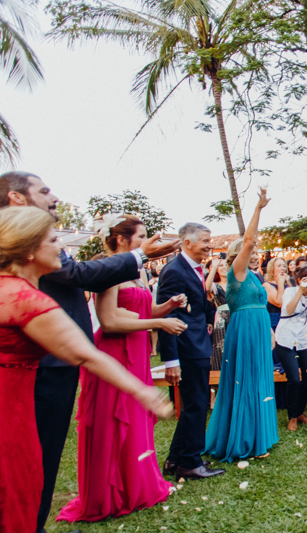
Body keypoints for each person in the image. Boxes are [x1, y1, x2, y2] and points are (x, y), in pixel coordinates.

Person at [0, 171, 180, 533]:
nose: (63, 250)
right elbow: (86, 352)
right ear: (30, 248)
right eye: (55, 241)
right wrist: (142, 391)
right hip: (16, 403)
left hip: (25, 386)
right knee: (20, 479)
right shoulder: (27, 300)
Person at [57, 215, 186, 523]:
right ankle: (109, 491)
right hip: (114, 353)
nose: (146, 242)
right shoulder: (109, 270)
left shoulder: (136, 271)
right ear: (120, 240)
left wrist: (168, 306)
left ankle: (136, 484)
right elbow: (110, 320)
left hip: (137, 351)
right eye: (140, 237)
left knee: (136, 419)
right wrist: (159, 323)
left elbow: (144, 310)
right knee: (113, 422)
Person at [205, 189, 279, 461]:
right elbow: (249, 238)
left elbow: (260, 305)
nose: (256, 253)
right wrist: (259, 207)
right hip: (245, 329)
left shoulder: (254, 277)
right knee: (247, 378)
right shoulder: (238, 270)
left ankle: (260, 435)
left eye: (257, 252)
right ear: (239, 253)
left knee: (259, 378)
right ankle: (246, 437)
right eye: (252, 251)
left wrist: (269, 331)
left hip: (258, 328)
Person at [158, 222, 225, 480]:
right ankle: (190, 463)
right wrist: (171, 360)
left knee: (193, 405)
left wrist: (207, 318)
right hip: (187, 347)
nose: (210, 245)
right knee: (196, 405)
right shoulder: (174, 271)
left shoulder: (195, 268)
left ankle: (176, 459)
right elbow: (167, 316)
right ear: (188, 243)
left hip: (197, 343)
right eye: (205, 241)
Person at [274, 265, 307, 431]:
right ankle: (292, 417)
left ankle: (299, 412)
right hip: (286, 339)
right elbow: (288, 310)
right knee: (294, 379)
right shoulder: (290, 292)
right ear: (298, 280)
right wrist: (300, 291)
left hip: (305, 340)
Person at [205, 257, 229, 371]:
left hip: (237, 317)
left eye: (226, 265)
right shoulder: (215, 285)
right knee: (221, 347)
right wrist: (214, 267)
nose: (224, 267)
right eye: (221, 265)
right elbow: (207, 288)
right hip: (221, 320)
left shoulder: (236, 284)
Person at [264, 256, 290, 333]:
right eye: (279, 266)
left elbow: (294, 299)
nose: (282, 268)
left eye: (284, 266)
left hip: (288, 320)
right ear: (272, 269)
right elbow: (279, 303)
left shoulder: (285, 284)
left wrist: (288, 283)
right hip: (275, 321)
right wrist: (280, 283)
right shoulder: (267, 285)